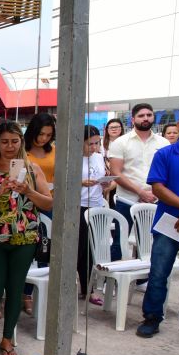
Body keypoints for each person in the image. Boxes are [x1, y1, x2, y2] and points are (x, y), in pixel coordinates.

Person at [0, 121, 52, 355]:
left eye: (14, 141)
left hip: (24, 238)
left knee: (16, 290)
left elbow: (48, 204)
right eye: (4, 141)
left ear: (21, 142)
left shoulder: (33, 169)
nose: (9, 146)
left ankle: (7, 339)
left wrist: (27, 191)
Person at [136, 106, 179, 344]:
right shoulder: (165, 154)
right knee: (159, 272)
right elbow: (158, 188)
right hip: (168, 224)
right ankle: (151, 318)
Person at [108, 104, 169, 254]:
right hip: (126, 200)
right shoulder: (121, 142)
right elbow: (115, 172)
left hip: (155, 200)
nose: (146, 118)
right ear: (133, 119)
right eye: (141, 116)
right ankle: (114, 277)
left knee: (147, 244)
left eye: (149, 115)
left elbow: (168, 172)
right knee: (119, 243)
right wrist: (141, 192)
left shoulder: (163, 143)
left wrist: (155, 193)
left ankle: (144, 278)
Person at [22, 112, 56, 314]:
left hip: (49, 201)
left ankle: (36, 293)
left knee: (45, 248)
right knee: (27, 250)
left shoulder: (54, 151)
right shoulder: (22, 152)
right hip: (26, 202)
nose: (43, 138)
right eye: (41, 134)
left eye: (48, 135)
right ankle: (24, 292)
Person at [78, 126, 106, 305]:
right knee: (80, 249)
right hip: (78, 206)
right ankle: (80, 287)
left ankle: (88, 289)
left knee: (92, 250)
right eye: (90, 144)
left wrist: (106, 184)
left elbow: (102, 177)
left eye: (97, 143)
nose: (94, 147)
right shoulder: (73, 157)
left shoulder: (99, 157)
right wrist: (80, 182)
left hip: (97, 205)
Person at [103, 117, 125, 259]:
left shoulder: (124, 144)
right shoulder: (101, 146)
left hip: (119, 185)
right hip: (104, 185)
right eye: (111, 127)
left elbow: (121, 172)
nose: (114, 129)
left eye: (117, 127)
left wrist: (113, 185)